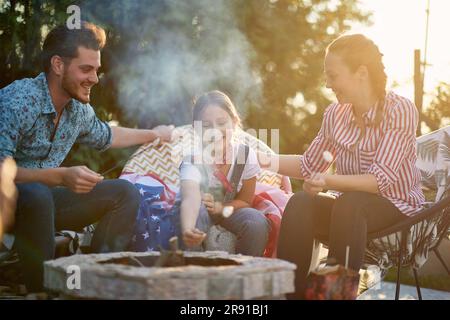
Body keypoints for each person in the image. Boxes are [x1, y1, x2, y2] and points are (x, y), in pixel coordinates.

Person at [0, 22, 174, 292]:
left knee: (124, 193)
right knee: (36, 194)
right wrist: (59, 176)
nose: (94, 78)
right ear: (58, 65)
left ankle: (96, 284)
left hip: (43, 206)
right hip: (8, 205)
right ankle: (43, 291)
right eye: (86, 69)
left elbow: (108, 135)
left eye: (96, 70)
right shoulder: (18, 101)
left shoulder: (78, 111)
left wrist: (153, 134)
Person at [259, 34, 425, 299]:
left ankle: (332, 296)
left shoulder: (400, 110)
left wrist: (327, 182)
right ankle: (290, 294)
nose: (327, 84)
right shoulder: (335, 115)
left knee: (351, 203)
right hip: (350, 213)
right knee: (301, 201)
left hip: (397, 208)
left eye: (333, 76)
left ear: (361, 73)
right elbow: (309, 165)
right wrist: (262, 160)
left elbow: (378, 181)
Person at [179, 90, 269, 256]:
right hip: (198, 212)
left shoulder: (244, 155)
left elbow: (245, 200)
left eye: (221, 122)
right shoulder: (192, 160)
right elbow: (190, 199)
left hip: (229, 211)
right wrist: (188, 228)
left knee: (256, 221)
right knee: (197, 212)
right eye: (206, 125)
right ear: (196, 129)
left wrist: (221, 207)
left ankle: (246, 274)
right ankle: (195, 271)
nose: (214, 131)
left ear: (234, 123)